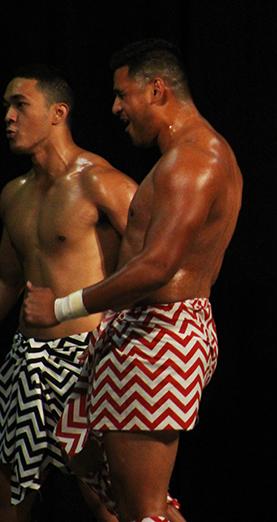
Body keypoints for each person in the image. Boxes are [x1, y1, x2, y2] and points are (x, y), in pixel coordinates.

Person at [21, 39, 243, 522]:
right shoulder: (178, 158)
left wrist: (61, 308)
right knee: (90, 459)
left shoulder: (196, 159)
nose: (116, 108)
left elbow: (157, 267)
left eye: (124, 95)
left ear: (157, 90)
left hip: (161, 334)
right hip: (138, 333)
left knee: (143, 511)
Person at [0, 64, 135, 522]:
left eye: (20, 105)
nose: (8, 117)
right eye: (6, 107)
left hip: (88, 359)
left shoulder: (100, 180)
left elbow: (151, 262)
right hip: (26, 356)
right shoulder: (13, 194)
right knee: (12, 494)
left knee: (109, 498)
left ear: (58, 113)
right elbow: (7, 280)